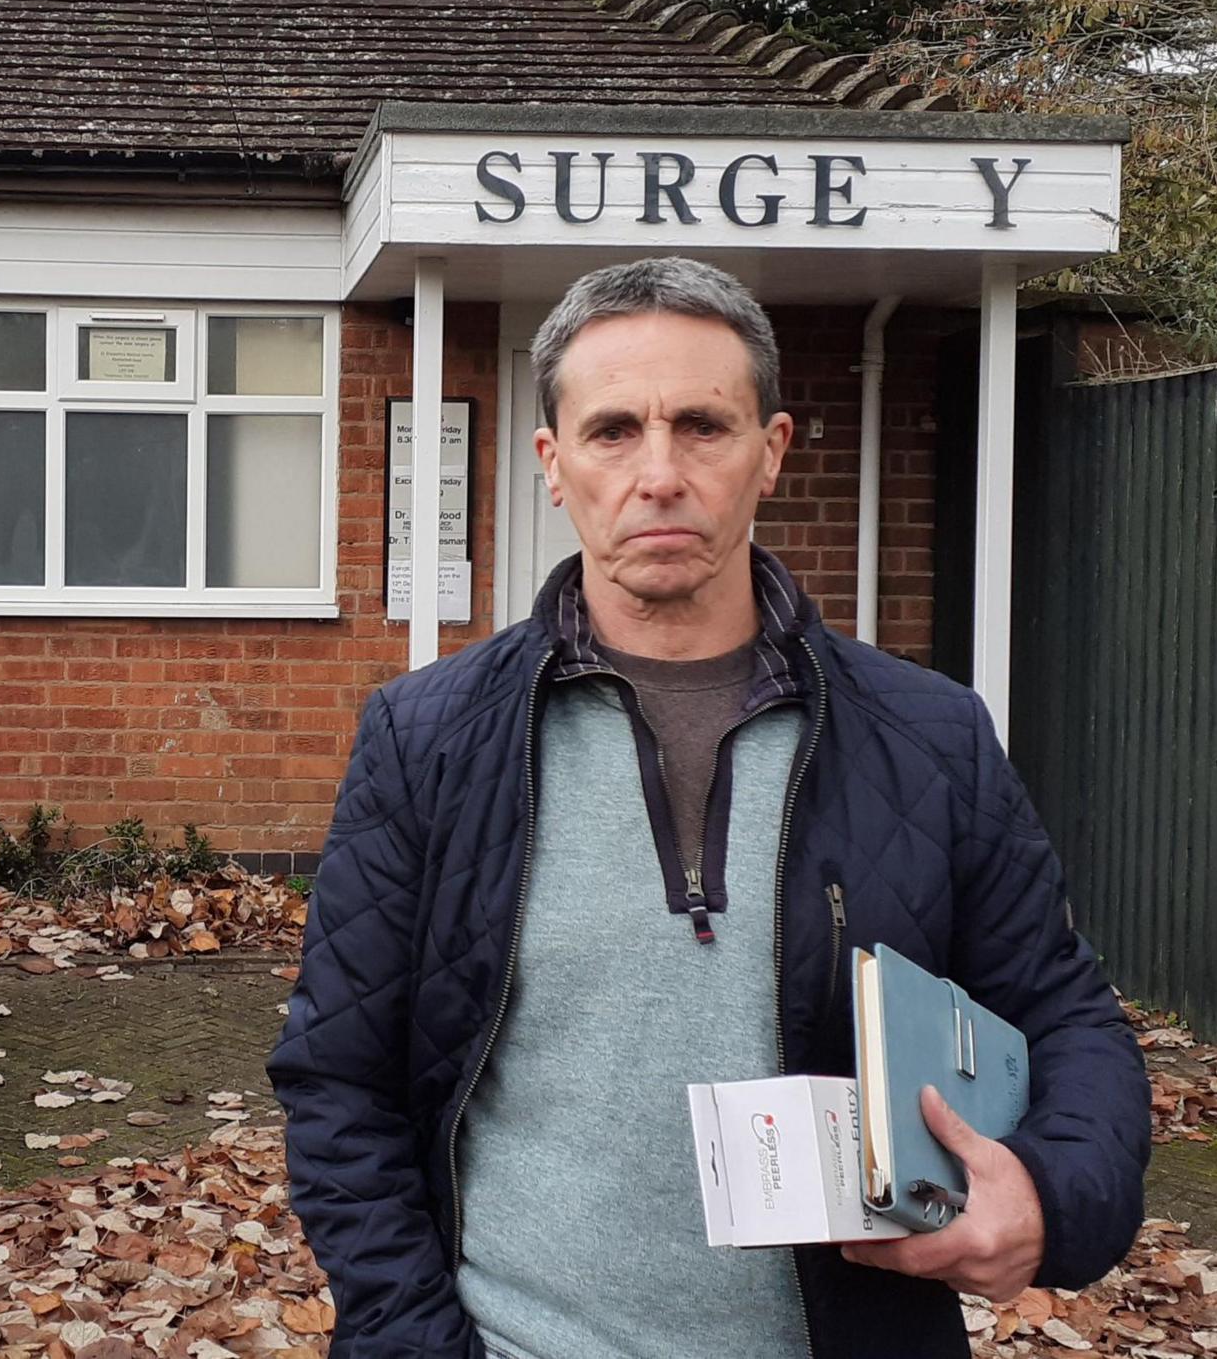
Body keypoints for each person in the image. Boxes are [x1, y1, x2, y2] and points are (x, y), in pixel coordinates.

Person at [266, 258, 1149, 1359]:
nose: (659, 473)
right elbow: (340, 1080)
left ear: (769, 450)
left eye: (701, 425)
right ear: (553, 464)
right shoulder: (427, 738)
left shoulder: (928, 735)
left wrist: (1052, 1196)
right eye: (612, 431)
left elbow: (1064, 1015)